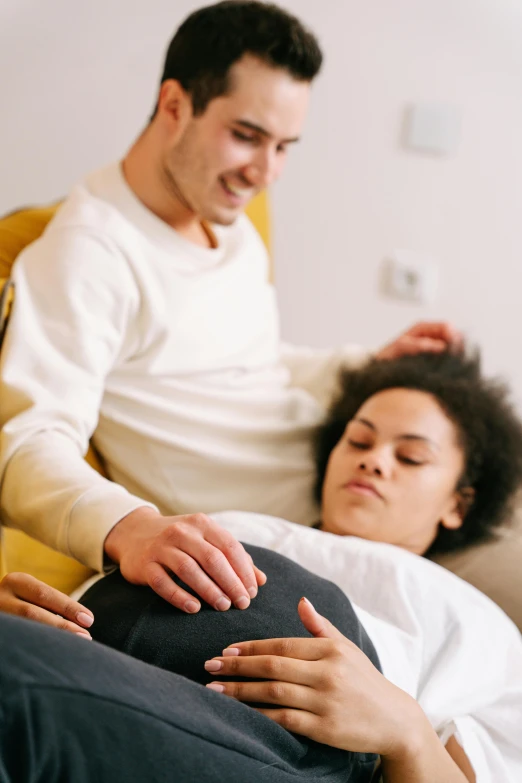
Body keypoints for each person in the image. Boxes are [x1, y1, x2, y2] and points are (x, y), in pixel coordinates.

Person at [0, 1, 462, 620]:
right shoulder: (89, 255)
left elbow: (251, 363)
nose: (264, 172)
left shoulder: (229, 222)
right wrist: (130, 527)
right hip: (285, 546)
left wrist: (363, 367)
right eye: (246, 136)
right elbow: (28, 439)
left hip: (363, 493)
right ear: (174, 106)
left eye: (284, 146)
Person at [3, 351, 520, 781]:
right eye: (358, 441)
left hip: (291, 755)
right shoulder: (227, 521)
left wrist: (406, 730)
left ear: (459, 503)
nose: (374, 460)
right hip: (104, 676)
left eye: (410, 457)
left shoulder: (476, 624)